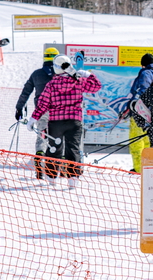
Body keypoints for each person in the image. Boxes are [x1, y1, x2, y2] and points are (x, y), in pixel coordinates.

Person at [31, 54, 102, 181]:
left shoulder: (51, 85)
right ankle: (73, 180)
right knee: (73, 149)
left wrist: (33, 119)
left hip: (55, 122)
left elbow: (43, 104)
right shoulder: (79, 81)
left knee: (54, 149)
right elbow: (96, 86)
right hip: (74, 121)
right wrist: (87, 74)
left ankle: (51, 178)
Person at [16, 46, 59, 179]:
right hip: (59, 111)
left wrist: (19, 108)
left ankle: (39, 159)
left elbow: (26, 91)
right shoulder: (61, 74)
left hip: (41, 110)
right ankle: (60, 167)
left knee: (42, 135)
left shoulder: (36, 74)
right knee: (59, 137)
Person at [127, 53, 153, 172]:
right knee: (147, 141)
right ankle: (148, 166)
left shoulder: (145, 73)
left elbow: (143, 90)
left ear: (143, 65)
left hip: (141, 113)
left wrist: (134, 105)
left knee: (136, 141)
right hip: (152, 114)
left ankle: (139, 169)